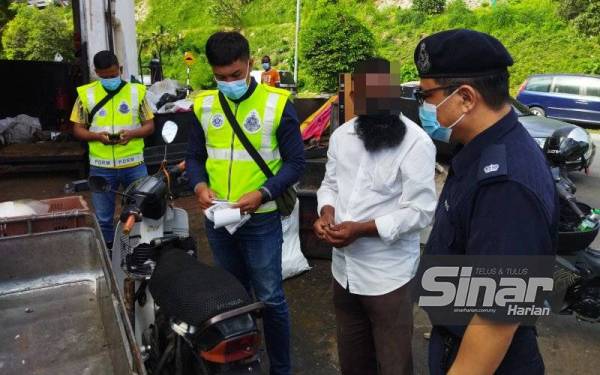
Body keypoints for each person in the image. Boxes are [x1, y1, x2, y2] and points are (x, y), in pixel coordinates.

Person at [414, 29, 558, 375]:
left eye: (427, 96)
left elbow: (496, 322)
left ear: (465, 98)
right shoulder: (482, 149)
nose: (423, 107)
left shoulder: (505, 184)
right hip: (453, 338)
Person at [185, 31, 305, 375]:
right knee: (232, 299)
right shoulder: (203, 105)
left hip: (262, 220)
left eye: (236, 75)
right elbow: (193, 156)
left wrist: (263, 194)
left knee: (270, 298)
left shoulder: (277, 103)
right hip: (219, 219)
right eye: (220, 77)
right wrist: (198, 184)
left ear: (249, 64)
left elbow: (295, 164)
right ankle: (238, 363)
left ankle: (280, 368)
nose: (229, 82)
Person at [314, 57, 437, 375]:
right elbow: (329, 184)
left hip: (388, 278)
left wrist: (363, 229)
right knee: (353, 360)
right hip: (343, 273)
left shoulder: (416, 144)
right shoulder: (342, 137)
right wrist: (325, 213)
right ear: (354, 96)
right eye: (367, 95)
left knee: (393, 363)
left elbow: (420, 211)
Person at [70, 50, 155, 247]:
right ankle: (109, 252)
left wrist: (132, 134)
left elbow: (149, 126)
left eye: (114, 75)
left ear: (121, 70)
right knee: (103, 218)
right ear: (96, 73)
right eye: (105, 76)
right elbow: (78, 130)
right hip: (101, 167)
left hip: (134, 165)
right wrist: (97, 137)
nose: (110, 79)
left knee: (140, 212)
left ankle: (139, 250)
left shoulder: (136, 92)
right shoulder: (86, 95)